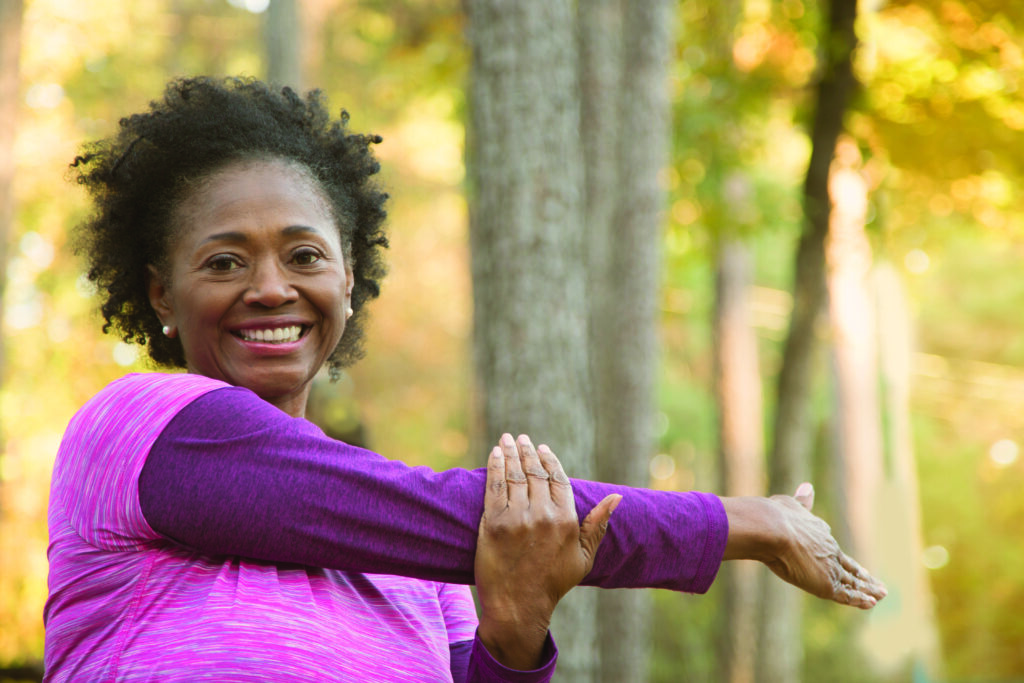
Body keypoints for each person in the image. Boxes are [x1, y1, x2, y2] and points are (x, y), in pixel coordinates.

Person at [44, 76, 886, 682]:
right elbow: (454, 510)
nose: (271, 287)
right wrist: (747, 522)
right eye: (226, 261)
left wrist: (515, 632)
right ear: (162, 292)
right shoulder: (142, 427)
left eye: (305, 256)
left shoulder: (417, 575)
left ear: (347, 281)